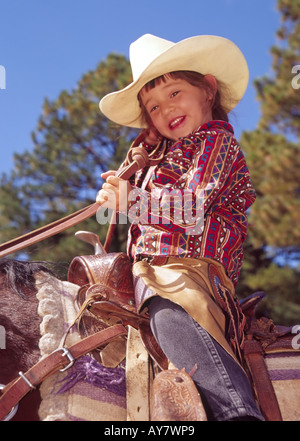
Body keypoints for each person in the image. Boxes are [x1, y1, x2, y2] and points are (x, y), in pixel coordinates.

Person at [96, 34, 264, 421]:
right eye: (153, 106)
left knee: (167, 311)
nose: (165, 109)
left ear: (208, 88)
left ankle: (235, 410)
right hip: (150, 275)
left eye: (174, 93)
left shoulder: (216, 143)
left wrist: (130, 201)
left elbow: (191, 209)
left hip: (193, 274)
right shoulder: (158, 164)